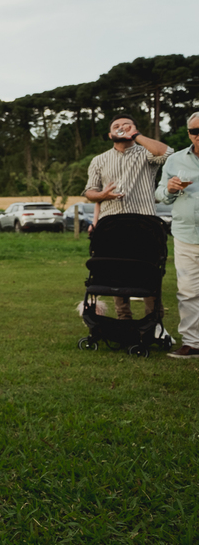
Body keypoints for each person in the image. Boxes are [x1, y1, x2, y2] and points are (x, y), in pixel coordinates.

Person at [84, 115, 172, 319]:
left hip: (144, 227)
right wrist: (103, 195)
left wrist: (136, 135)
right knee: (116, 273)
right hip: (111, 227)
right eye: (116, 126)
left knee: (148, 273)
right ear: (110, 135)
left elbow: (167, 153)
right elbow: (90, 192)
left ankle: (153, 324)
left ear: (135, 129)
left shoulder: (146, 153)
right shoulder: (99, 160)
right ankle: (123, 320)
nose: (121, 127)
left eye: (127, 125)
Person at [156, 111, 199, 359]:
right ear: (189, 133)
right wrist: (170, 189)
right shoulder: (175, 160)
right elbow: (160, 194)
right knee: (188, 291)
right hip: (186, 234)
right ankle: (192, 343)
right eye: (195, 131)